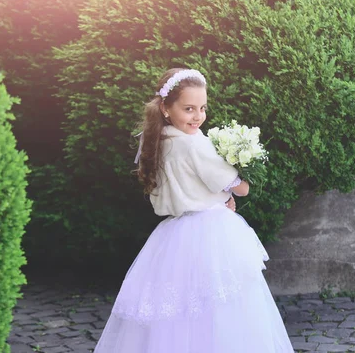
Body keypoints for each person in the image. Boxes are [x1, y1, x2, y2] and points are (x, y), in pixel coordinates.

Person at [93, 68, 292, 352]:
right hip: (211, 233)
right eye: (188, 109)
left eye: (202, 108)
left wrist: (218, 195)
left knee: (180, 311)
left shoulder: (158, 141)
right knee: (222, 308)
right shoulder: (193, 144)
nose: (198, 116)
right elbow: (240, 187)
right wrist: (239, 170)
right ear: (165, 108)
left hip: (174, 235)